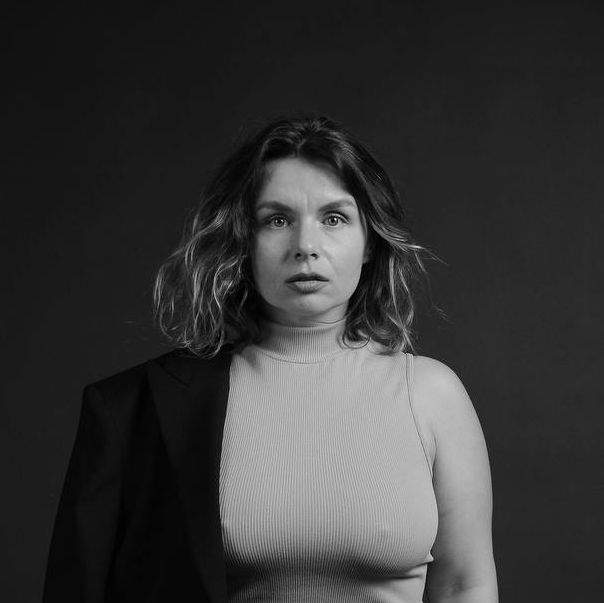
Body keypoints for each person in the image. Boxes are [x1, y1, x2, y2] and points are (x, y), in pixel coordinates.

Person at [43, 115, 498, 602]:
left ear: (370, 242)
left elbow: (464, 585)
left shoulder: (430, 394)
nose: (305, 247)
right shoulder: (138, 408)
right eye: (277, 220)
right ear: (244, 240)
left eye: (334, 218)